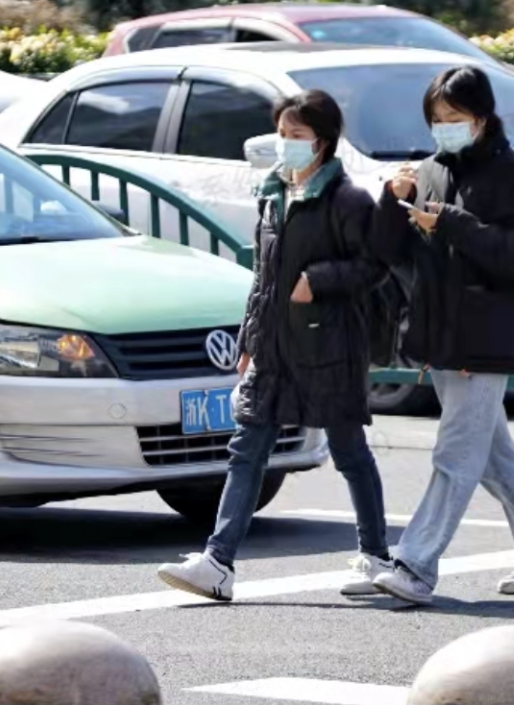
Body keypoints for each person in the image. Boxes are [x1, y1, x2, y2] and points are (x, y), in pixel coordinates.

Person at [156, 90, 392, 602]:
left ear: (324, 142)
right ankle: (218, 562)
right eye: (283, 134)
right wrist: (249, 336)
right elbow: (262, 277)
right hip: (274, 347)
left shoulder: (347, 200)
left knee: (350, 452)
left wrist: (319, 280)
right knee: (247, 449)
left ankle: (376, 556)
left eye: (298, 136)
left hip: (331, 345)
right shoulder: (273, 194)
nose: (287, 145)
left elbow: (374, 266)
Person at [369, 66, 514, 606]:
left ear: (481, 118)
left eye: (454, 119)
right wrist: (395, 199)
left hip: (484, 338)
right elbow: (389, 252)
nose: (443, 129)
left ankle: (415, 564)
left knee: (456, 455)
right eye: (436, 120)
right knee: (492, 457)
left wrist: (453, 222)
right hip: (441, 336)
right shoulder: (430, 170)